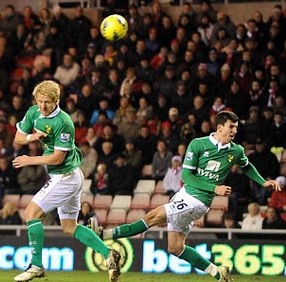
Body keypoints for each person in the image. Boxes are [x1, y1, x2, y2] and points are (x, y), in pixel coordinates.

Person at [88, 111, 281, 282]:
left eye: (236, 128)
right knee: (175, 247)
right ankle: (217, 272)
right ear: (220, 127)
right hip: (184, 195)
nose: (234, 131)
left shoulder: (236, 150)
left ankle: (105, 234)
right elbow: (187, 176)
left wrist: (263, 181)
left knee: (152, 216)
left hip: (198, 202)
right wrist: (216, 188)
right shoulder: (198, 144)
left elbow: (246, 166)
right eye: (231, 127)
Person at [11, 80, 120, 282]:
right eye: (40, 101)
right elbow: (18, 137)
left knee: (30, 213)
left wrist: (29, 160)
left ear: (57, 101)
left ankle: (36, 265)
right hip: (66, 176)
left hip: (66, 176)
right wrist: (33, 137)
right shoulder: (34, 112)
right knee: (69, 227)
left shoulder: (64, 122)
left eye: (48, 102)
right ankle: (108, 254)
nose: (43, 106)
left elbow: (57, 158)